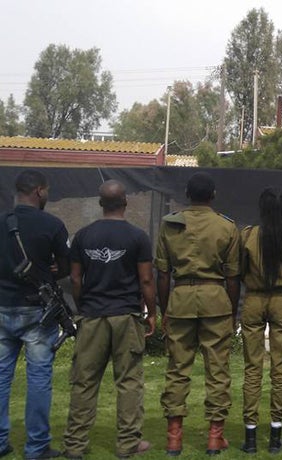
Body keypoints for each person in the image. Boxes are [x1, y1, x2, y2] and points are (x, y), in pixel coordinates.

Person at [63, 180, 156, 459]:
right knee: (128, 382)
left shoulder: (82, 236)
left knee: (84, 381)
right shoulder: (137, 237)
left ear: (101, 204)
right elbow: (146, 279)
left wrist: (83, 307)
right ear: (125, 202)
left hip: (92, 316)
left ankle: (74, 445)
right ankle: (128, 445)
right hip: (126, 317)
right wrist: (152, 313)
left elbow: (75, 278)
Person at [155, 172, 241, 456]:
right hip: (216, 299)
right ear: (213, 195)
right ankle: (215, 438)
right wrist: (231, 310)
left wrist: (164, 308)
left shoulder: (170, 224)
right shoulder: (227, 227)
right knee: (217, 370)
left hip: (180, 299)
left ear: (187, 195)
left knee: (178, 368)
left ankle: (173, 438)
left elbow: (163, 273)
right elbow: (232, 276)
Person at [0, 169, 70, 460]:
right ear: (39, 190)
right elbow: (66, 268)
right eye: (48, 190)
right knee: (39, 377)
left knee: (1, 377)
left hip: (2, 309)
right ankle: (37, 447)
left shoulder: (2, 222)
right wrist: (52, 268)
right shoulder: (52, 224)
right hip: (38, 312)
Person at [238, 187, 282, 454]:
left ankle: (250, 436)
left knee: (252, 367)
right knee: (280, 366)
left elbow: (240, 270)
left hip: (253, 299)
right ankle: (276, 433)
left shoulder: (248, 235)